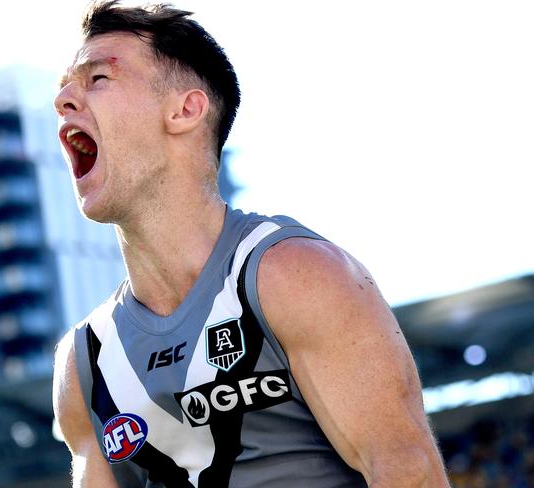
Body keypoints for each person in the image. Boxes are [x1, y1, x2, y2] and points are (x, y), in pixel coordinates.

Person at [51, 1, 450, 486]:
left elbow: (409, 474)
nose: (64, 100)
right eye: (64, 87)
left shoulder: (294, 274)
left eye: (98, 79)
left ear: (185, 110)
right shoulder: (85, 363)